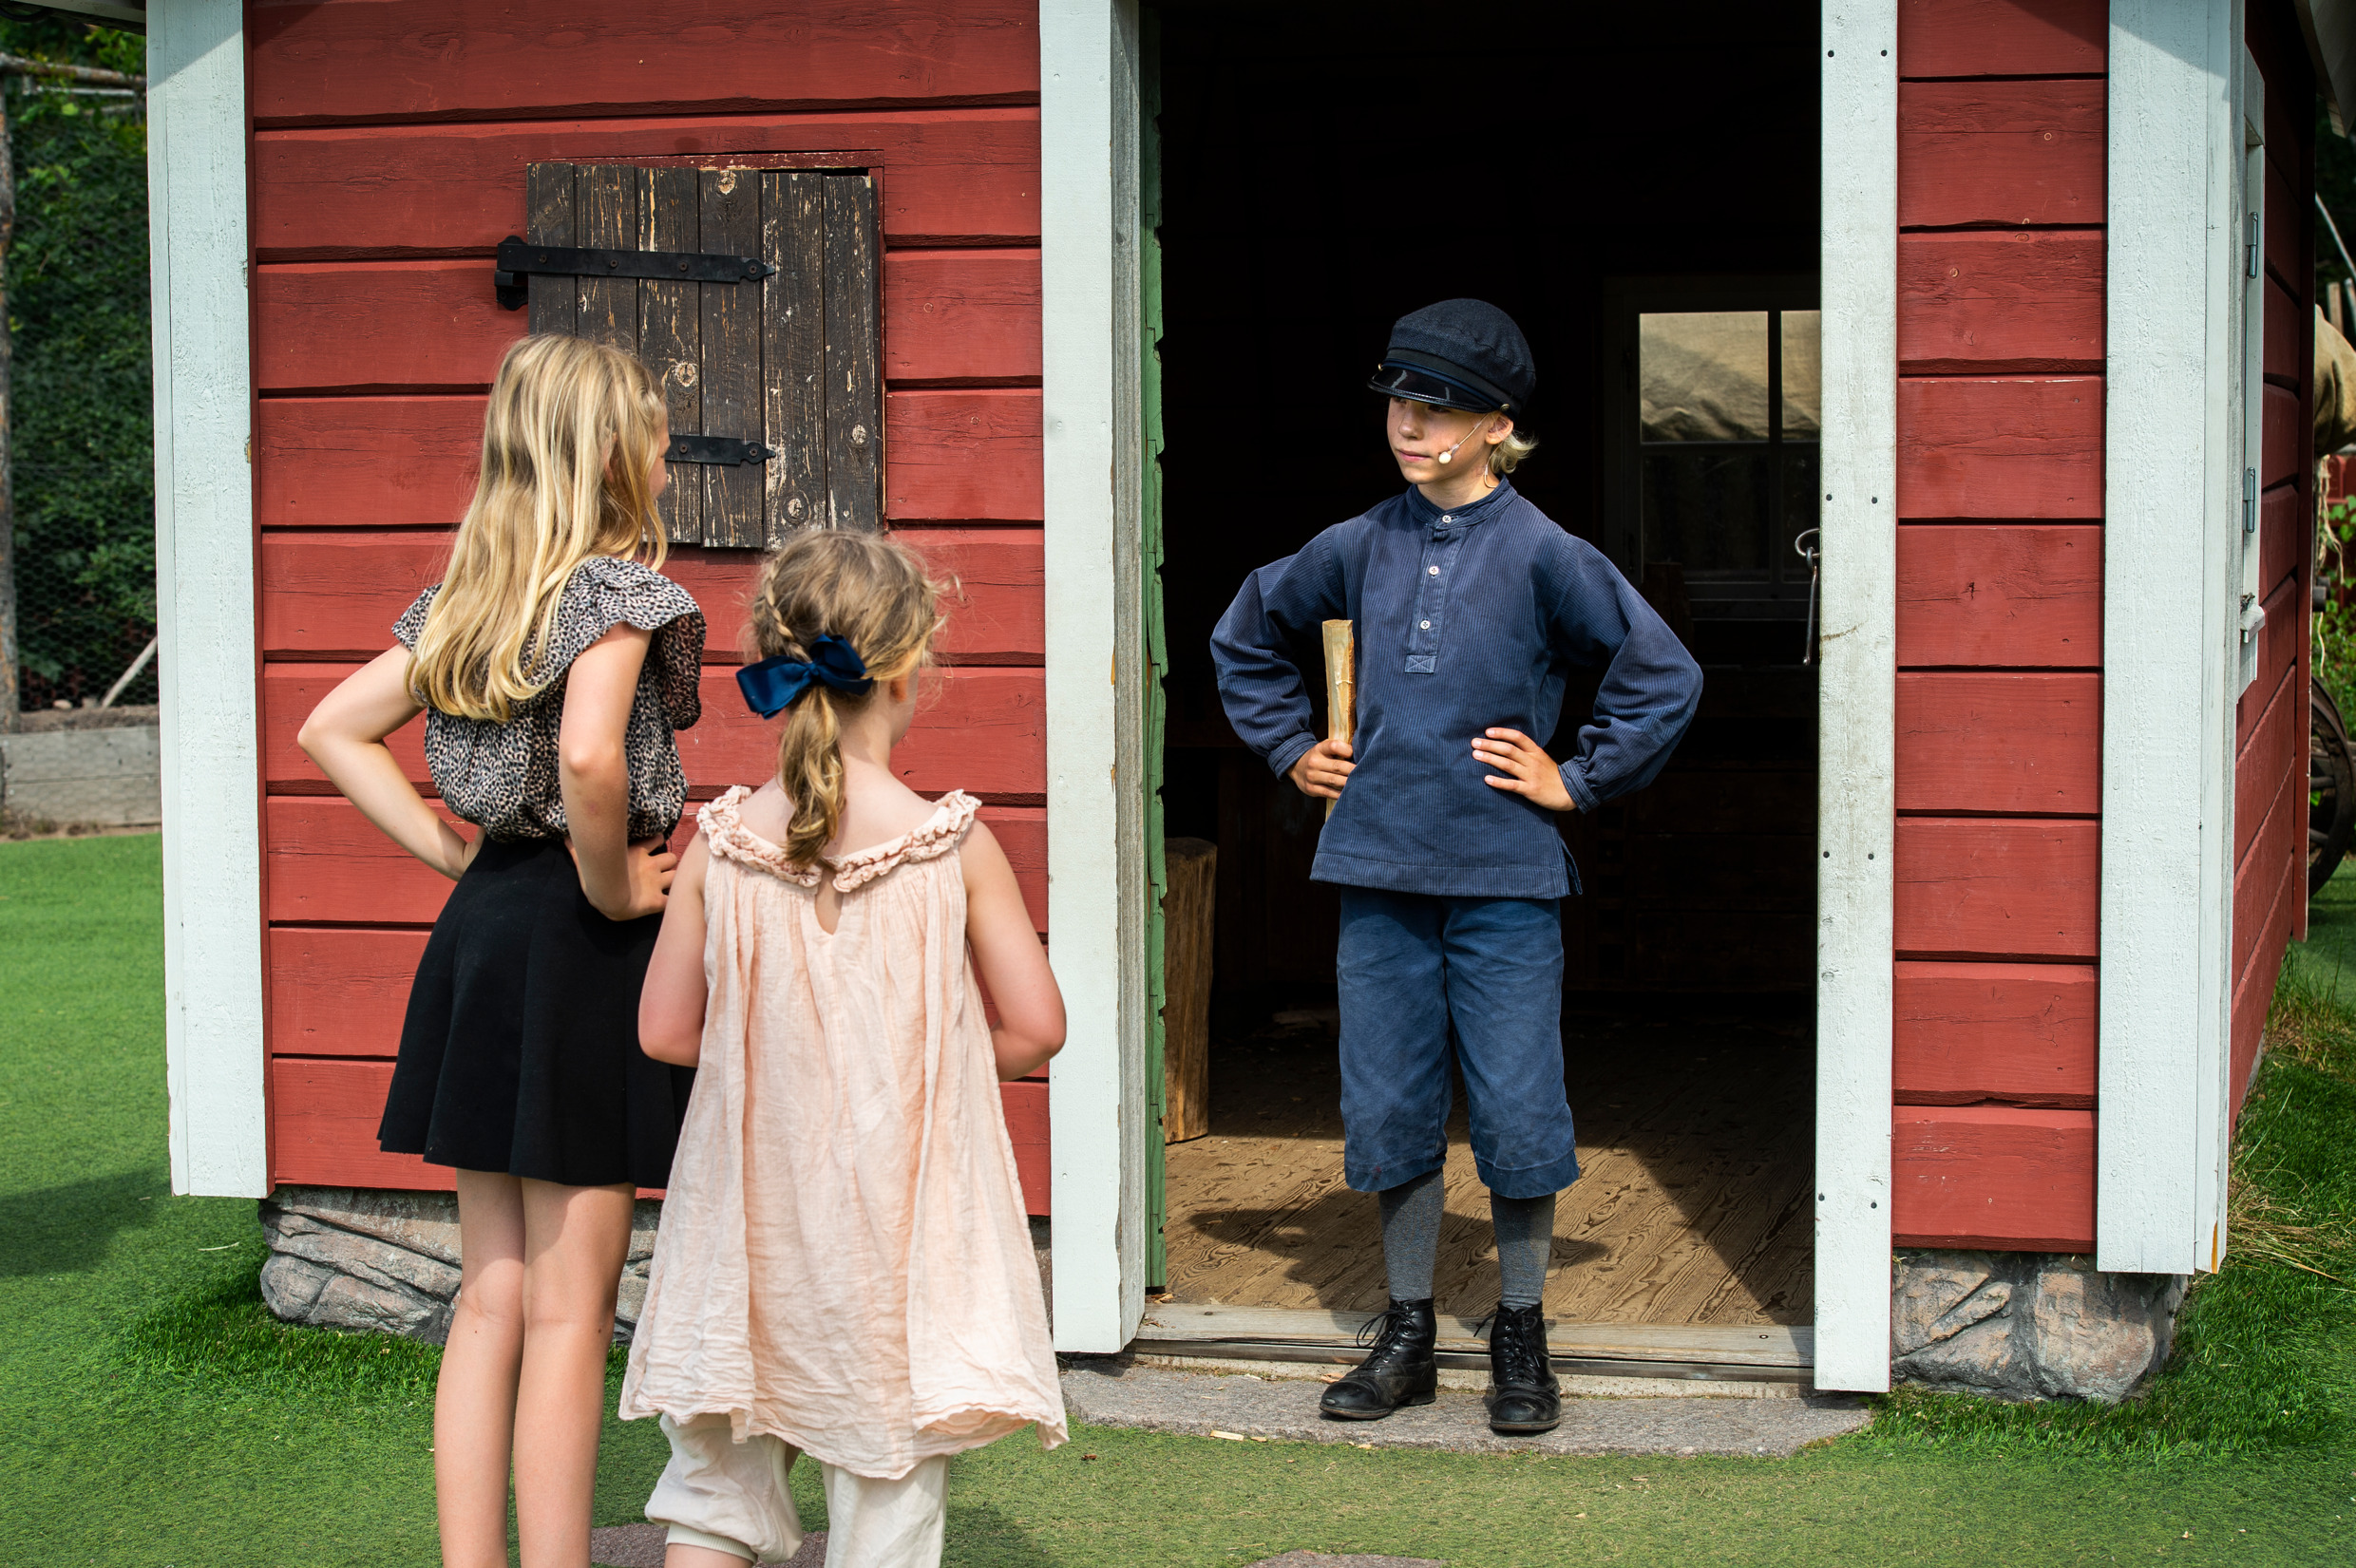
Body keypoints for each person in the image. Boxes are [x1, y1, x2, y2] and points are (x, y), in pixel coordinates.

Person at [1210, 299, 1703, 1435]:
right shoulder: (1356, 543)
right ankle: (1409, 1332)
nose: (1408, 422)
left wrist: (1574, 779)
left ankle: (1521, 1332)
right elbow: (1244, 631)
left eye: (1436, 408)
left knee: (1520, 1106)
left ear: (1496, 425)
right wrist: (1292, 746)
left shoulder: (1544, 551)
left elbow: (1658, 672)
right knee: (1387, 1103)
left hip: (1504, 880)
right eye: (1397, 400)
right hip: (1375, 870)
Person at [297, 333, 704, 1568]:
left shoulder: (469, 600)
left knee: (489, 1296)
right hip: (578, 943)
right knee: (573, 1307)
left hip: (483, 935)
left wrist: (457, 859)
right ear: (611, 450)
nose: (666, 447)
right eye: (652, 425)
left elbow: (333, 727)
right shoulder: (619, 587)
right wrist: (614, 888)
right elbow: (591, 756)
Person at [621, 530, 1068, 1568]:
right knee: (885, 1495)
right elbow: (1037, 1025)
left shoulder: (720, 842)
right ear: (909, 668)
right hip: (893, 1238)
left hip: (748, 1224)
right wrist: (923, 1057)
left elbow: (664, 1029)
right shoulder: (948, 845)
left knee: (711, 1495)